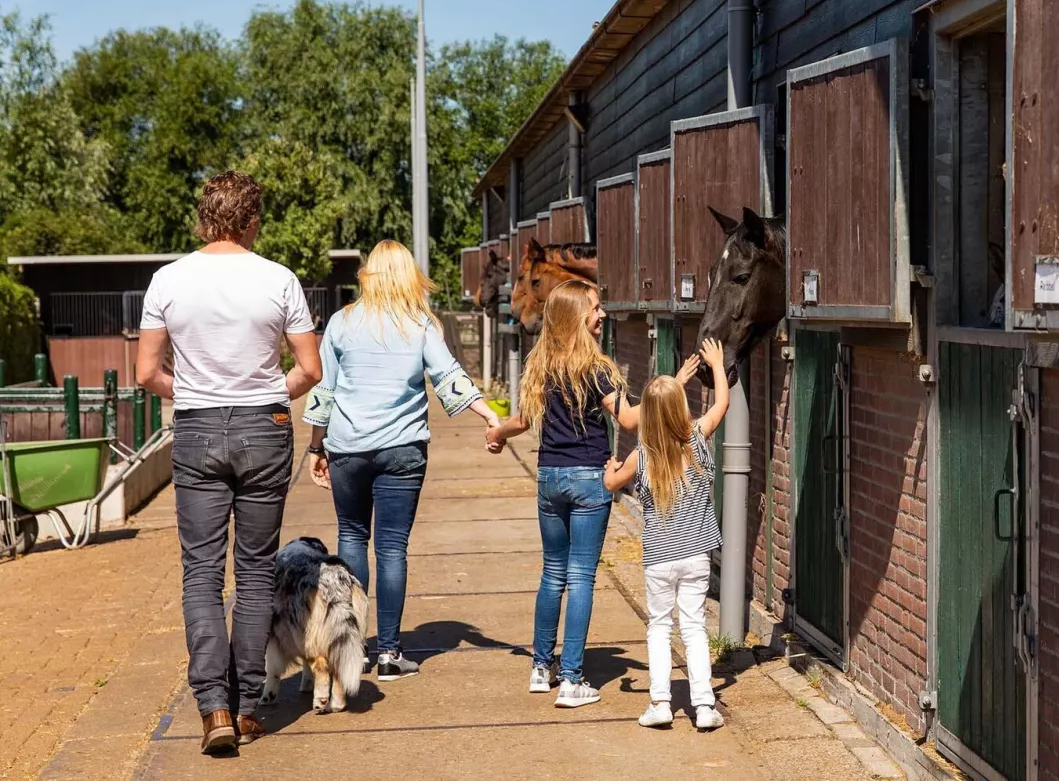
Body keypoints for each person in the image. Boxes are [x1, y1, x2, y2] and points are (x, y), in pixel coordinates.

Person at [136, 171, 323, 755]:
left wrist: (190, 391)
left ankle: (212, 707)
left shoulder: (167, 280)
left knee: (201, 572)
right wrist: (268, 391)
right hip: (264, 427)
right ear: (252, 220)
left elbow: (146, 374)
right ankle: (245, 708)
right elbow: (310, 370)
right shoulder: (279, 279)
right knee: (256, 572)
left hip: (195, 429)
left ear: (203, 217)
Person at [486, 281, 696, 707]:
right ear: (578, 317)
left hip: (549, 478)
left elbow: (524, 421)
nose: (602, 316)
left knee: (552, 574)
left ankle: (540, 668)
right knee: (581, 575)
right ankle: (572, 679)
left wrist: (497, 432)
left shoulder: (541, 364)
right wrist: (673, 387)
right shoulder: (596, 368)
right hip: (587, 479)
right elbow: (632, 420)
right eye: (596, 309)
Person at [302, 240, 502, 681]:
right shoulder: (420, 324)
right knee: (392, 547)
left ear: (368, 276)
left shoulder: (341, 322)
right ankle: (391, 652)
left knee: (351, 537)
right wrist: (489, 415)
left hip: (347, 448)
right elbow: (449, 376)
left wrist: (316, 447)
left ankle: (350, 646)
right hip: (403, 450)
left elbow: (325, 389)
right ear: (409, 276)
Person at [604, 338, 729, 731]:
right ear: (681, 408)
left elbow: (611, 484)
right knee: (693, 626)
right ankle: (704, 707)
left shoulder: (640, 457)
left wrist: (611, 466)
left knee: (659, 626)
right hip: (695, 556)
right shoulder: (695, 440)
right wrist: (718, 364)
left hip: (660, 559)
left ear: (647, 416)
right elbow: (721, 404)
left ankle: (660, 703)